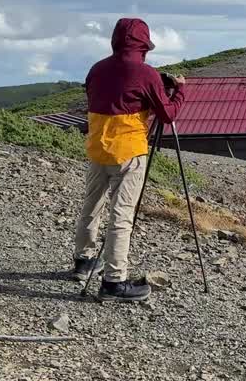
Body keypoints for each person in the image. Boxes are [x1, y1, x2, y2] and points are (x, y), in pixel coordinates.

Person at [70, 18, 185, 302]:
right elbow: (167, 114)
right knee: (121, 217)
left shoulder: (96, 69)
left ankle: (83, 262)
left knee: (92, 206)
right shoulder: (146, 73)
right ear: (143, 46)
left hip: (98, 149)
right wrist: (180, 90)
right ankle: (114, 281)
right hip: (129, 152)